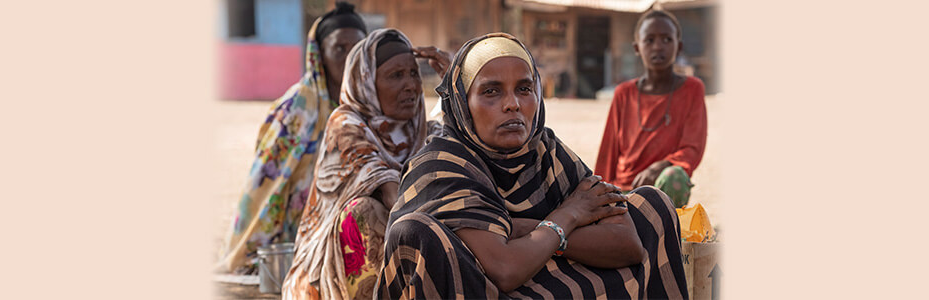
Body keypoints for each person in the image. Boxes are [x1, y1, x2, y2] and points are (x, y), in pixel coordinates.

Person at [378, 33, 687, 299]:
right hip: (479, 291)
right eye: (491, 91)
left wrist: (529, 229)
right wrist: (566, 217)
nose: (512, 103)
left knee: (650, 206)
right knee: (412, 232)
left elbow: (628, 243)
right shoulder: (440, 166)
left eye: (524, 89)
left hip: (543, 283)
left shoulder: (547, 151)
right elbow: (505, 269)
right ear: (462, 104)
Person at [279, 28, 448, 300]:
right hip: (326, 276)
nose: (411, 85)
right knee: (364, 212)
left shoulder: (423, 132)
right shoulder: (346, 125)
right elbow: (395, 196)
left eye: (414, 73)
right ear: (366, 82)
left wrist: (456, 84)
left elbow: (472, 154)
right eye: (396, 75)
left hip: (400, 262)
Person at [217, 2, 368, 275]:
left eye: (355, 49)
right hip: (293, 232)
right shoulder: (298, 106)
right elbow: (265, 182)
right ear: (318, 54)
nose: (348, 58)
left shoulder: (366, 106)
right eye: (338, 49)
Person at [595, 9, 708, 207]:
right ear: (637, 48)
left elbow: (693, 148)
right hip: (624, 190)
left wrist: (662, 166)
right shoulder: (624, 93)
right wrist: (599, 191)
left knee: (676, 175)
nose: (658, 47)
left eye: (666, 39)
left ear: (678, 46)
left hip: (663, 188)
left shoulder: (692, 89)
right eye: (649, 40)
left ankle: (663, 227)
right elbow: (608, 150)